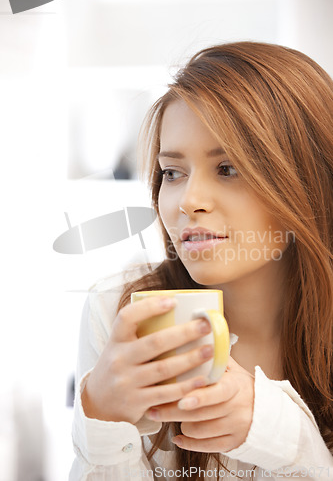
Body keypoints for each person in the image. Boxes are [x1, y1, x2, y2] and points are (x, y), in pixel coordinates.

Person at [69, 41, 333, 480]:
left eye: (228, 168)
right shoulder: (120, 310)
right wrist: (103, 420)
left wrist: (278, 432)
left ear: (308, 177)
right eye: (172, 173)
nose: (188, 202)